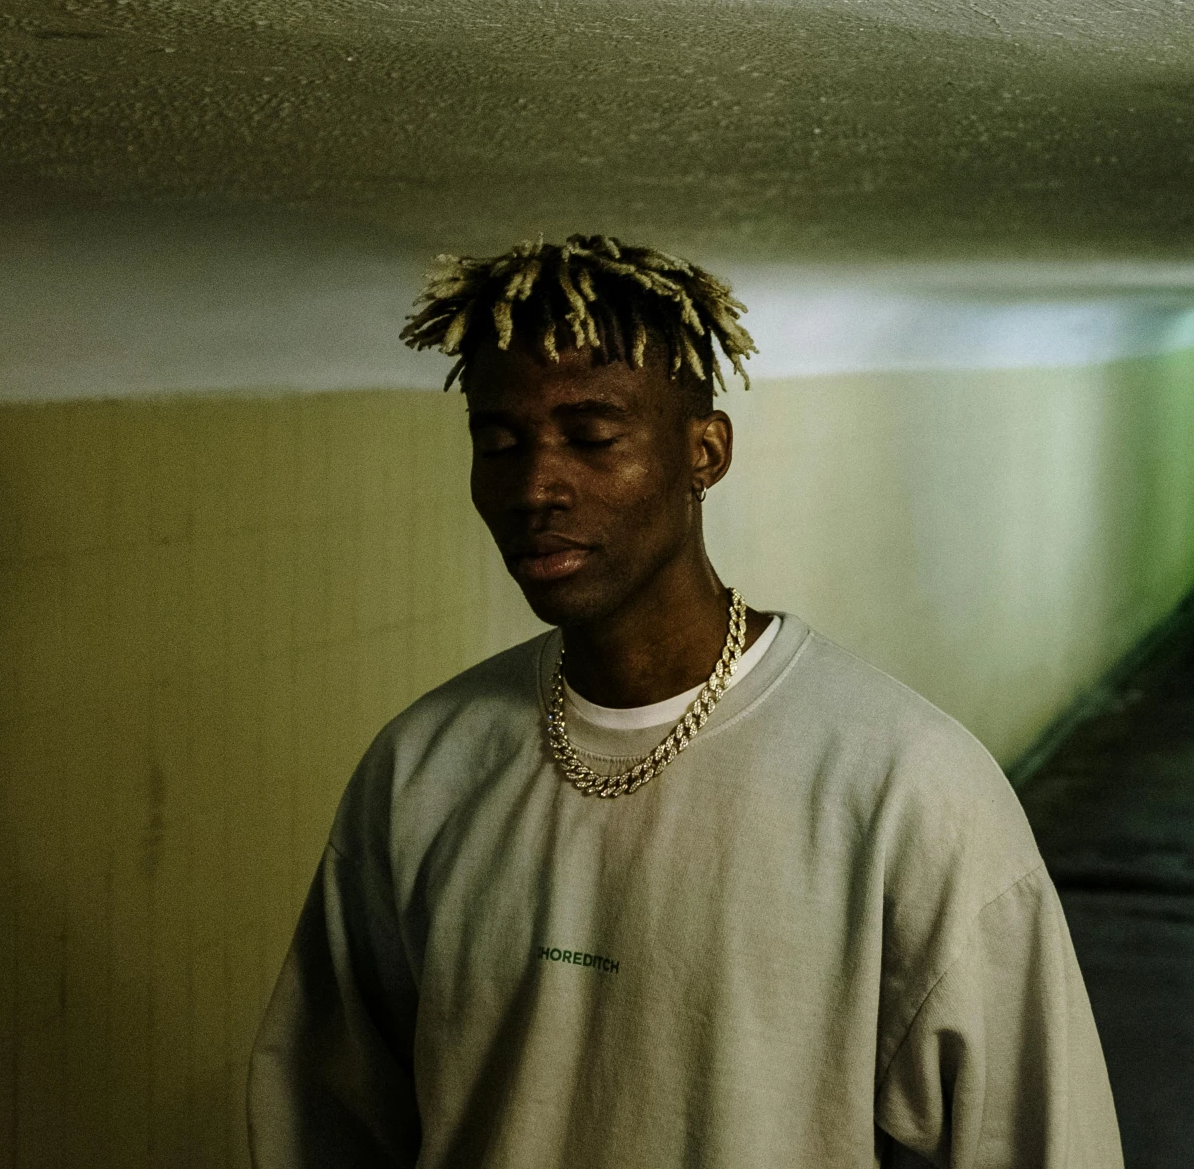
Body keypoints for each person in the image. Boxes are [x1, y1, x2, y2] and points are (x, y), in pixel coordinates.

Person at [248, 234, 1125, 1168]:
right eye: (500, 443)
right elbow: (328, 1111)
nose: (536, 486)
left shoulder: (907, 787)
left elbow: (1034, 1135)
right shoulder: (422, 766)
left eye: (593, 438)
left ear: (704, 452)